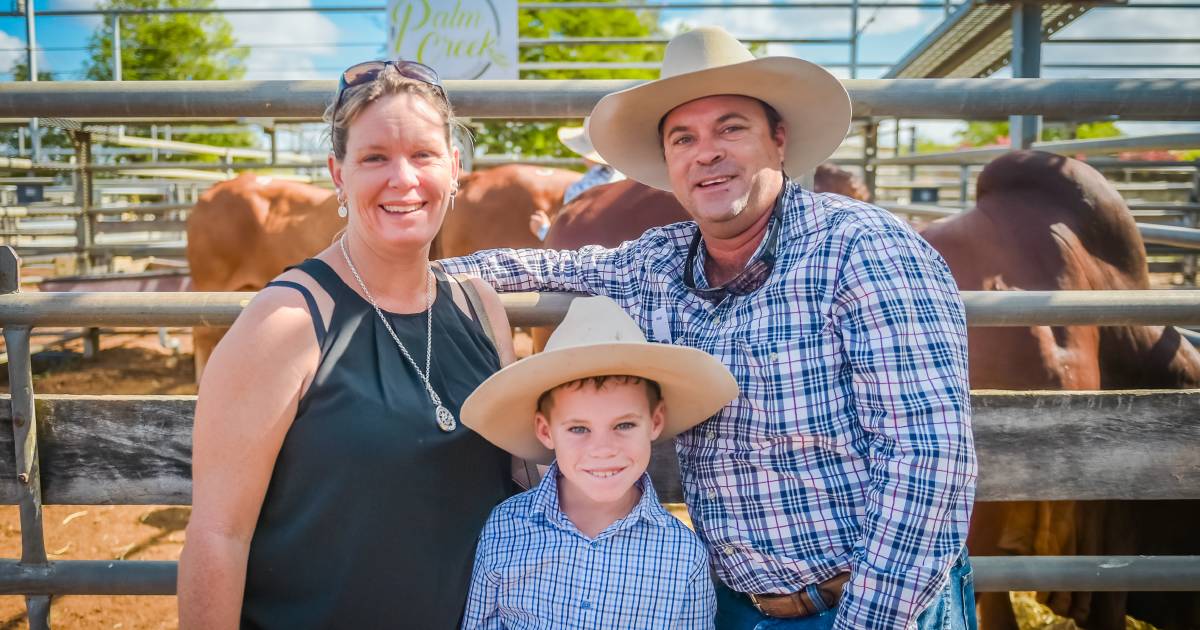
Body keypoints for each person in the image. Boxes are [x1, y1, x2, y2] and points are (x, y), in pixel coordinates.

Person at [440, 26, 978, 630]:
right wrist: (387, 278)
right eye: (683, 137)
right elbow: (539, 265)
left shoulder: (865, 251)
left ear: (779, 140)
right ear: (669, 164)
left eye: (731, 128)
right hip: (732, 606)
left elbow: (929, 459)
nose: (707, 152)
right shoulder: (662, 261)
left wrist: (868, 622)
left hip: (869, 601)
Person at [178, 59, 517, 629]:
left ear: (455, 169)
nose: (403, 179)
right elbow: (218, 536)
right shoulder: (285, 321)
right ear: (338, 174)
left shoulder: (481, 310)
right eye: (374, 158)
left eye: (424, 155)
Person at [459, 296, 736, 629]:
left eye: (624, 425)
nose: (602, 449)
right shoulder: (505, 529)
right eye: (579, 428)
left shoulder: (683, 554)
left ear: (656, 422)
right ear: (546, 431)